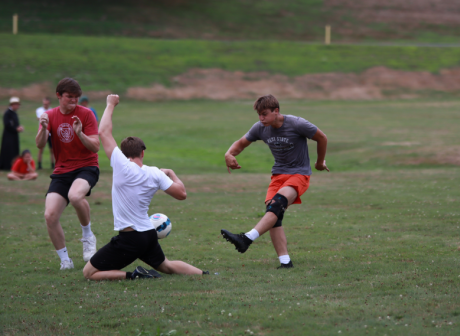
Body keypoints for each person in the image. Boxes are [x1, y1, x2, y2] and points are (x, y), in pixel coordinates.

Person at [83, 94, 207, 280]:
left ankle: (134, 275)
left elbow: (104, 132)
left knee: (89, 273)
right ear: (142, 152)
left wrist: (110, 104)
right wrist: (172, 173)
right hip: (149, 234)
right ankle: (205, 274)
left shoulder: (121, 164)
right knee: (166, 265)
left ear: (123, 155)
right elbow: (182, 194)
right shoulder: (155, 173)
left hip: (130, 238)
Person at [221, 94, 329, 269]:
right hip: (278, 175)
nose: (261, 118)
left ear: (276, 111)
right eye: (259, 115)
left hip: (299, 174)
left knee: (277, 205)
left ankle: (246, 238)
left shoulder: (297, 123)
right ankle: (285, 262)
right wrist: (229, 154)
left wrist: (318, 162)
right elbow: (241, 143)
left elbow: (322, 137)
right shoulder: (260, 128)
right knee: (273, 214)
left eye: (264, 114)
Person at [36, 78, 100, 270]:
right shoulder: (49, 115)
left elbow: (95, 147)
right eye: (69, 97)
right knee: (50, 215)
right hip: (62, 170)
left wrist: (80, 133)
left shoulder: (87, 114)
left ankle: (87, 236)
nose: (73, 101)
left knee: (75, 195)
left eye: (76, 98)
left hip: (86, 167)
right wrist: (45, 128)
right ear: (59, 96)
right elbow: (39, 144)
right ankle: (65, 260)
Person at [0, 97, 24, 170]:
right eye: (16, 104)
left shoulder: (14, 113)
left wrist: (19, 127)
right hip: (8, 136)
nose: (17, 106)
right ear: (12, 105)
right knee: (8, 150)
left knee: (14, 150)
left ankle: (14, 166)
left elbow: (15, 123)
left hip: (14, 135)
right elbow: (7, 124)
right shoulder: (7, 113)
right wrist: (15, 128)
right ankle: (6, 166)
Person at [36, 97, 54, 170]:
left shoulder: (52, 110)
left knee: (52, 150)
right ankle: (39, 165)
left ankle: (53, 165)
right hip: (42, 132)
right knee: (40, 149)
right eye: (44, 104)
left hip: (50, 133)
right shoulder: (39, 110)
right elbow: (39, 118)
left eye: (46, 104)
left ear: (49, 104)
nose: (45, 105)